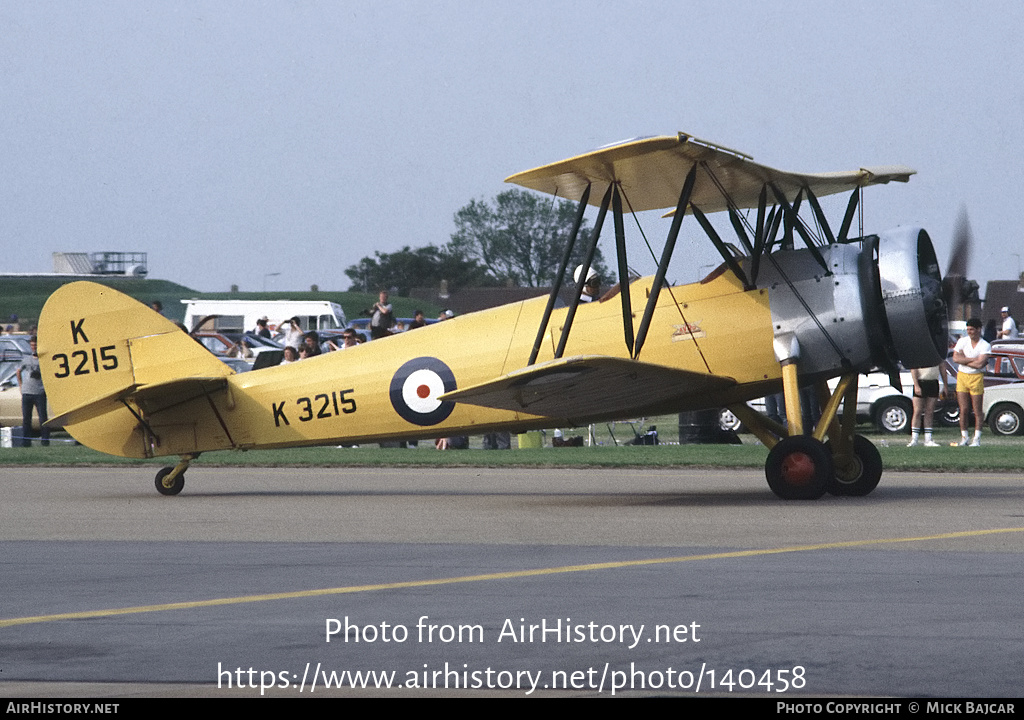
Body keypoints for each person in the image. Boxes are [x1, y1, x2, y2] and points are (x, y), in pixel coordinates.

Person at [951, 318, 991, 446]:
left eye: (972, 330)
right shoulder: (962, 341)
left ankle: (977, 438)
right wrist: (971, 359)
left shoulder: (985, 345)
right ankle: (964, 437)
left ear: (978, 329)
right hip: (962, 376)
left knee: (977, 409)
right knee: (963, 409)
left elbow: (980, 363)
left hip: (976, 377)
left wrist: (965, 359)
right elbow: (955, 358)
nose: (970, 332)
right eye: (968, 330)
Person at [16, 336, 49, 447]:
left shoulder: (44, 359)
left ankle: (45, 441)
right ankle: (26, 442)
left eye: (35, 345)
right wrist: (21, 386)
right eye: (32, 345)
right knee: (26, 419)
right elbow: (18, 371)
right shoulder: (26, 359)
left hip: (39, 392)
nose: (33, 347)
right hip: (27, 392)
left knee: (43, 418)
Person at [907, 362, 950, 447]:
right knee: (917, 411)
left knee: (929, 411)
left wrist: (945, 386)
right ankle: (914, 439)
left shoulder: (937, 354)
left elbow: (942, 368)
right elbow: (914, 368)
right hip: (921, 381)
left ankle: (928, 439)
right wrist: (916, 385)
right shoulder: (919, 353)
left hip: (933, 382)